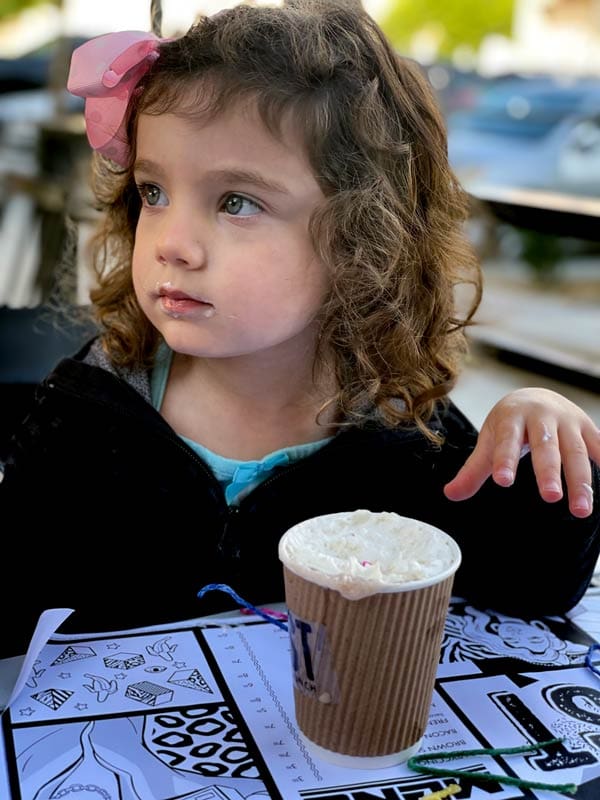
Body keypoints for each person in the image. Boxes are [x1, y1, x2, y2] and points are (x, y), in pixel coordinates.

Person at [0, 1, 598, 659]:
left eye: (237, 203)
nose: (173, 244)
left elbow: (530, 585)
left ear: (359, 240)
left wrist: (542, 435)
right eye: (153, 192)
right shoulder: (86, 412)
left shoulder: (402, 430)